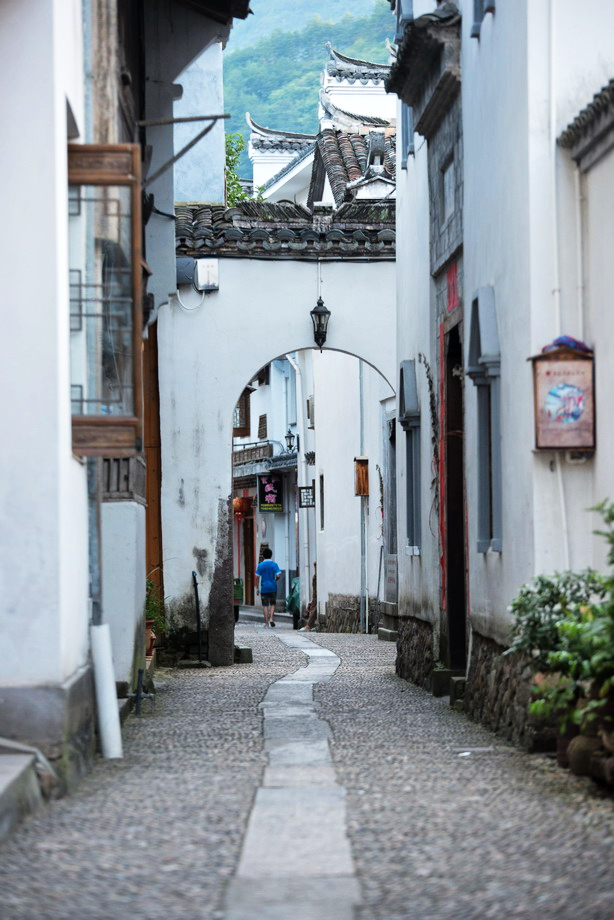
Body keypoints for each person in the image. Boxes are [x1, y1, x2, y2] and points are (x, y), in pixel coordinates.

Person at [255, 548, 281, 628]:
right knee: (272, 604)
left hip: (264, 588)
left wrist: (257, 588)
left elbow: (257, 577)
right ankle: (271, 619)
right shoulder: (274, 564)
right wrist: (275, 579)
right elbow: (278, 575)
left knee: (265, 605)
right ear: (271, 555)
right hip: (273, 587)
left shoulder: (260, 565)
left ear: (263, 556)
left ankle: (266, 623)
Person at [299, 561, 317, 631]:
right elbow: (315, 592)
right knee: (313, 605)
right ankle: (311, 625)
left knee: (315, 607)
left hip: (317, 598)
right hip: (315, 598)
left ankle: (309, 625)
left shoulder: (317, 577)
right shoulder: (315, 577)